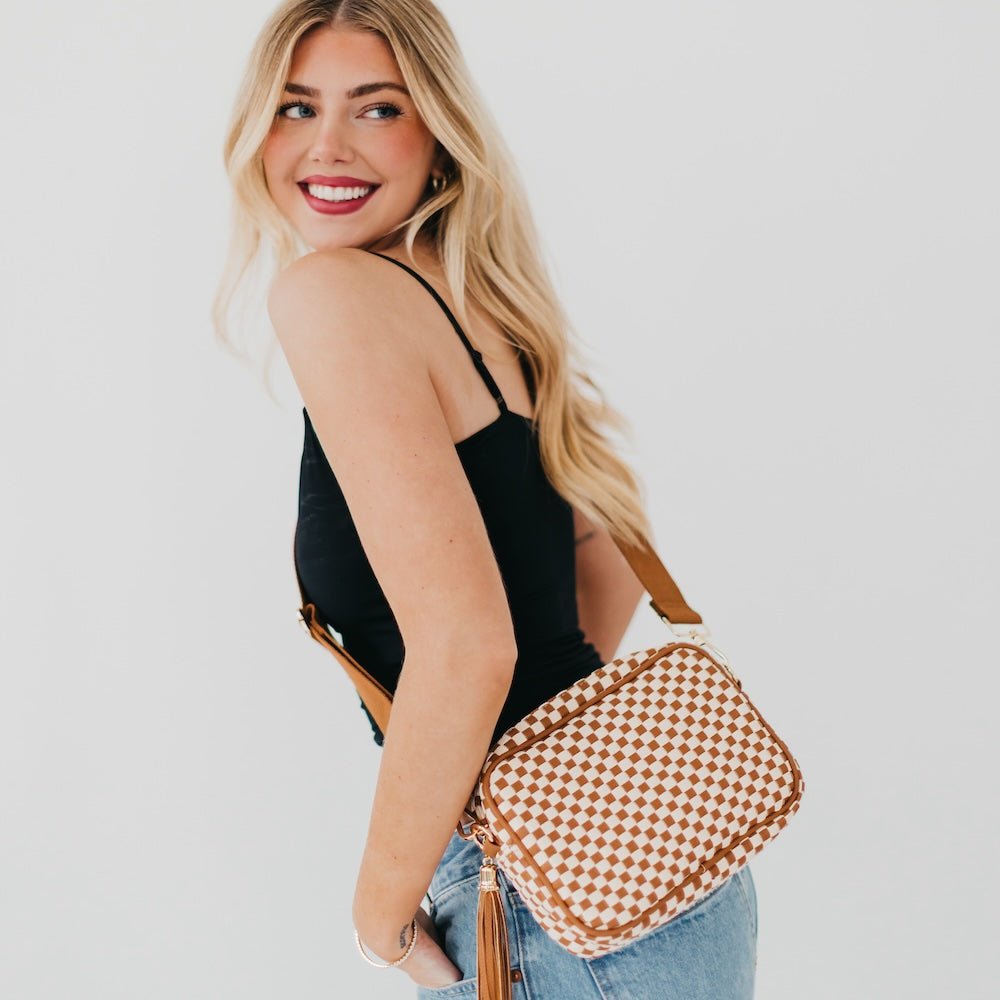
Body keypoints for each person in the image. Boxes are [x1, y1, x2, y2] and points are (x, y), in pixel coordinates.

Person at [215, 1, 758, 996]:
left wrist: (379, 916)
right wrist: (547, 756)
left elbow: (469, 645)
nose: (325, 145)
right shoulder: (483, 299)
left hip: (546, 905)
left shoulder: (333, 292)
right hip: (661, 871)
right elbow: (599, 559)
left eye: (375, 109)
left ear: (439, 131)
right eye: (294, 108)